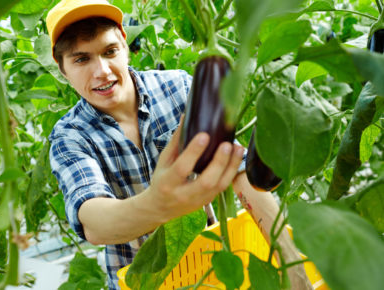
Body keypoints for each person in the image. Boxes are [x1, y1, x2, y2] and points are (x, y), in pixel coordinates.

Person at [46, 0, 313, 289]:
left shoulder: (179, 88)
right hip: (141, 282)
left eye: (109, 51)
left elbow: (236, 167)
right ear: (63, 70)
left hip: (210, 271)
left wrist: (289, 260)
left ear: (125, 45)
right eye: (81, 59)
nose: (103, 71)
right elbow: (93, 221)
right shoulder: (70, 135)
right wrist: (157, 205)